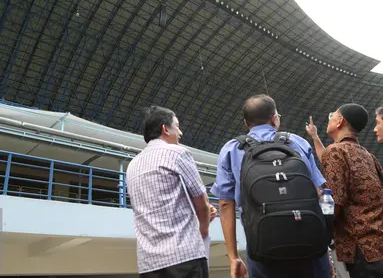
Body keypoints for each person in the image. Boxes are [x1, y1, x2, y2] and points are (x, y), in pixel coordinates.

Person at [211, 94, 331, 278]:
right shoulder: (297, 142)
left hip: (263, 248)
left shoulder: (231, 149)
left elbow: (226, 204)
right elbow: (319, 192)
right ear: (274, 118)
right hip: (309, 245)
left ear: (246, 123)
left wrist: (234, 257)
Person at [126, 106, 217, 278]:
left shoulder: (132, 165)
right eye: (177, 126)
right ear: (165, 128)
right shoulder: (177, 153)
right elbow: (202, 202)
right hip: (184, 257)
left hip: (149, 264)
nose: (180, 132)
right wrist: (203, 231)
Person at [306, 103, 383, 278]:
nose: (330, 118)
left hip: (361, 250)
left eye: (332, 115)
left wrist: (322, 229)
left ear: (340, 121)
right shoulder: (367, 155)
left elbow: (333, 203)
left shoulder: (335, 152)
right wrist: (315, 137)